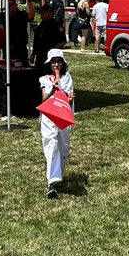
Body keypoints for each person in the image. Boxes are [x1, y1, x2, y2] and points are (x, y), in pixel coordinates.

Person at [39, 49, 75, 198]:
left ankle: (58, 173)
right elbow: (44, 101)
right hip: (49, 117)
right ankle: (51, 183)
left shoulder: (67, 78)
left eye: (59, 61)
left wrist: (70, 99)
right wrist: (53, 90)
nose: (56, 64)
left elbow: (68, 98)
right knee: (51, 145)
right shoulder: (44, 79)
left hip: (63, 117)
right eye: (53, 61)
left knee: (63, 147)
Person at [30, 3, 66, 70]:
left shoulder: (56, 26)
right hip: (40, 57)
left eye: (43, 12)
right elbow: (36, 41)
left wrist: (53, 52)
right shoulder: (40, 27)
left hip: (51, 57)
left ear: (50, 13)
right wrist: (33, 54)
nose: (41, 14)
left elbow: (63, 41)